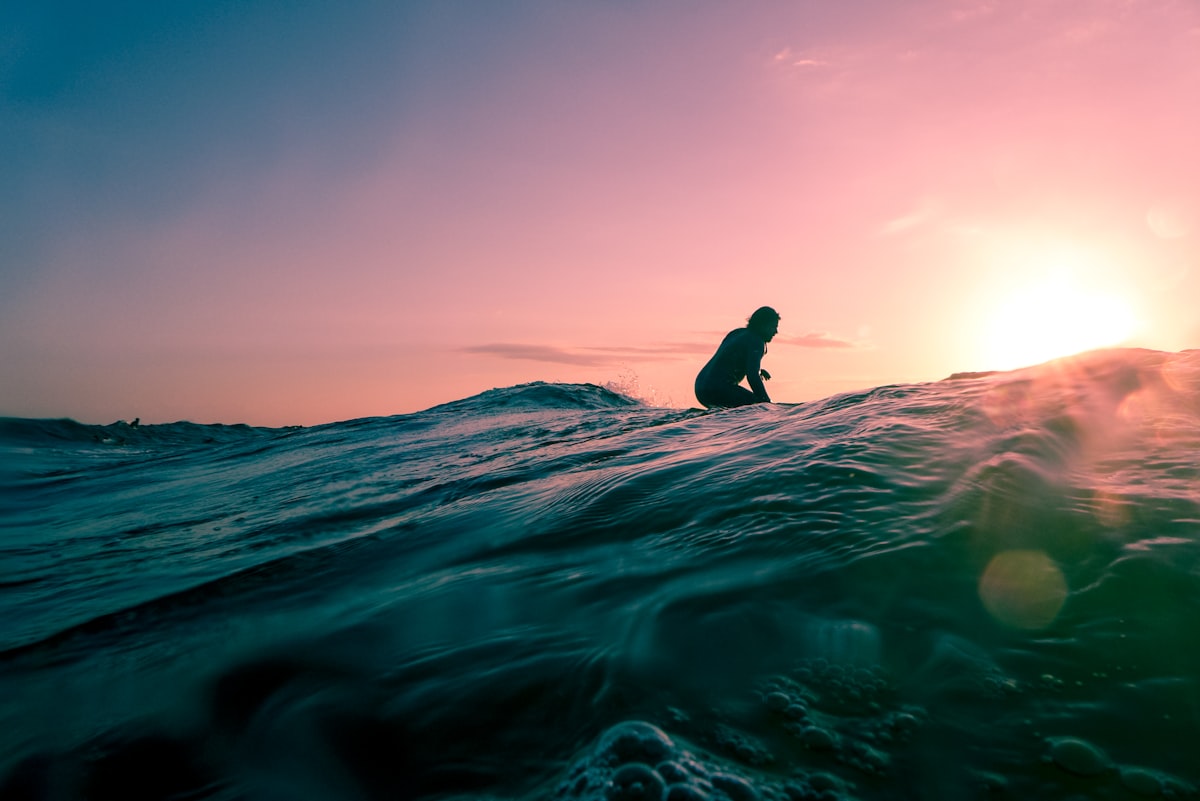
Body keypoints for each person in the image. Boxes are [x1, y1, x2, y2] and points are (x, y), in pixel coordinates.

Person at [695, 306, 780, 408]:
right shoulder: (757, 341)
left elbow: (727, 360)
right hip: (718, 388)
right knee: (757, 406)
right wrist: (767, 404)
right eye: (773, 327)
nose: (776, 332)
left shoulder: (737, 333)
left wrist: (758, 370)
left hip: (700, 387)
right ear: (763, 325)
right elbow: (752, 376)